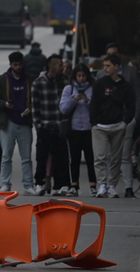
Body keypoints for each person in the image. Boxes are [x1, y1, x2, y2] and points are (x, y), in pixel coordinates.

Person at [97, 42, 140, 198]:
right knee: (108, 155)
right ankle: (108, 185)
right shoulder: (102, 75)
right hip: (107, 120)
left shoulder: (131, 72)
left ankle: (128, 187)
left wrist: (134, 117)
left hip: (126, 119)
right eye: (109, 54)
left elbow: (136, 95)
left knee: (125, 154)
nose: (111, 57)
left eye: (114, 54)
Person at [0, 51, 36, 195]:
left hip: (24, 122)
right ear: (10, 65)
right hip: (8, 122)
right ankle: (5, 184)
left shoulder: (29, 79)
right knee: (6, 156)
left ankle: (29, 185)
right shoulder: (3, 80)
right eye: (15, 65)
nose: (18, 67)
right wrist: (4, 104)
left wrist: (31, 109)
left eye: (20, 64)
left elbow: (36, 99)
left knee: (27, 157)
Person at [31, 54, 70, 196]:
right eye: (60, 65)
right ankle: (39, 183)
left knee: (62, 157)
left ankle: (61, 185)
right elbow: (35, 107)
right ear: (52, 66)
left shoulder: (64, 82)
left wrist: (65, 125)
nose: (63, 67)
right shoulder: (38, 83)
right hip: (45, 126)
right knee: (41, 157)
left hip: (59, 126)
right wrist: (38, 126)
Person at [60, 63, 97, 197]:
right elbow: (63, 109)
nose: (81, 79)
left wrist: (87, 101)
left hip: (89, 129)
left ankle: (93, 185)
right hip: (74, 129)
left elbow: (96, 109)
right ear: (75, 76)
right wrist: (74, 100)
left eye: (84, 76)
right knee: (74, 158)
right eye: (79, 76)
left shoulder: (93, 89)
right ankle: (74, 185)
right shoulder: (69, 89)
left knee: (90, 157)